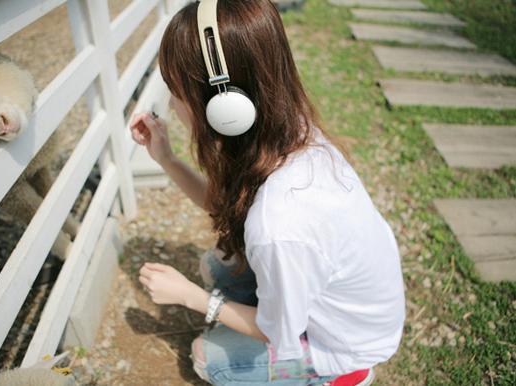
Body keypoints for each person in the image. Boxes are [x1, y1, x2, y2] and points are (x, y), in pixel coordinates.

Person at [130, 1, 405, 385]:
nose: (172, 104)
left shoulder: (279, 223)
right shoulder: (288, 131)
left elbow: (278, 331)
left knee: (208, 358)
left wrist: (193, 298)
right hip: (340, 302)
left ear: (226, 106)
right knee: (214, 266)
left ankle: (340, 377)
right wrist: (168, 160)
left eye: (177, 91)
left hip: (343, 348)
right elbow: (230, 207)